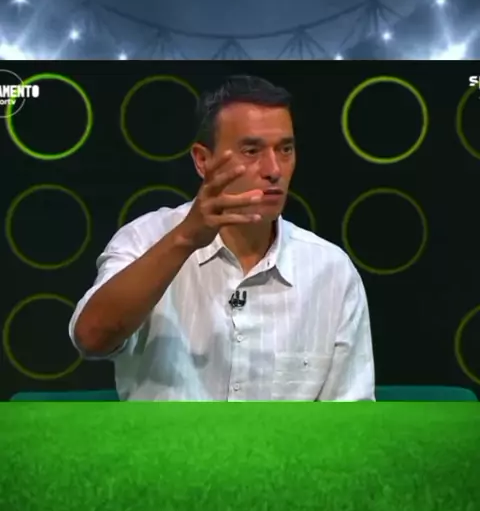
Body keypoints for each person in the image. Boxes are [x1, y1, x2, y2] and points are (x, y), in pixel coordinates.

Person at [69, 75, 375, 401]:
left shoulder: (331, 270)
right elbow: (92, 339)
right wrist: (185, 239)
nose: (274, 169)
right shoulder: (143, 239)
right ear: (203, 160)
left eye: (285, 149)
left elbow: (349, 413)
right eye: (251, 150)